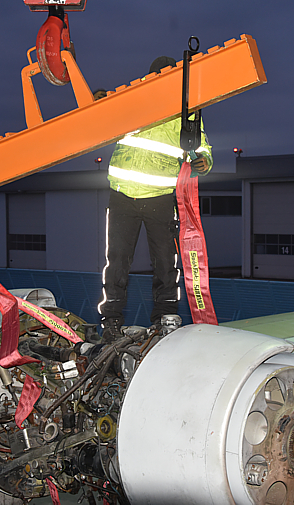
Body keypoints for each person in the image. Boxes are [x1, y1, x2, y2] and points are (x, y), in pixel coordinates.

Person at [97, 56, 213, 342]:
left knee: (164, 261)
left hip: (159, 199)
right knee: (117, 260)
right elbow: (102, 118)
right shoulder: (130, 102)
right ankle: (111, 319)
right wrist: (99, 103)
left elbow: (201, 147)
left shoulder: (185, 114)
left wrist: (204, 161)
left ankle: (165, 318)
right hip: (123, 195)